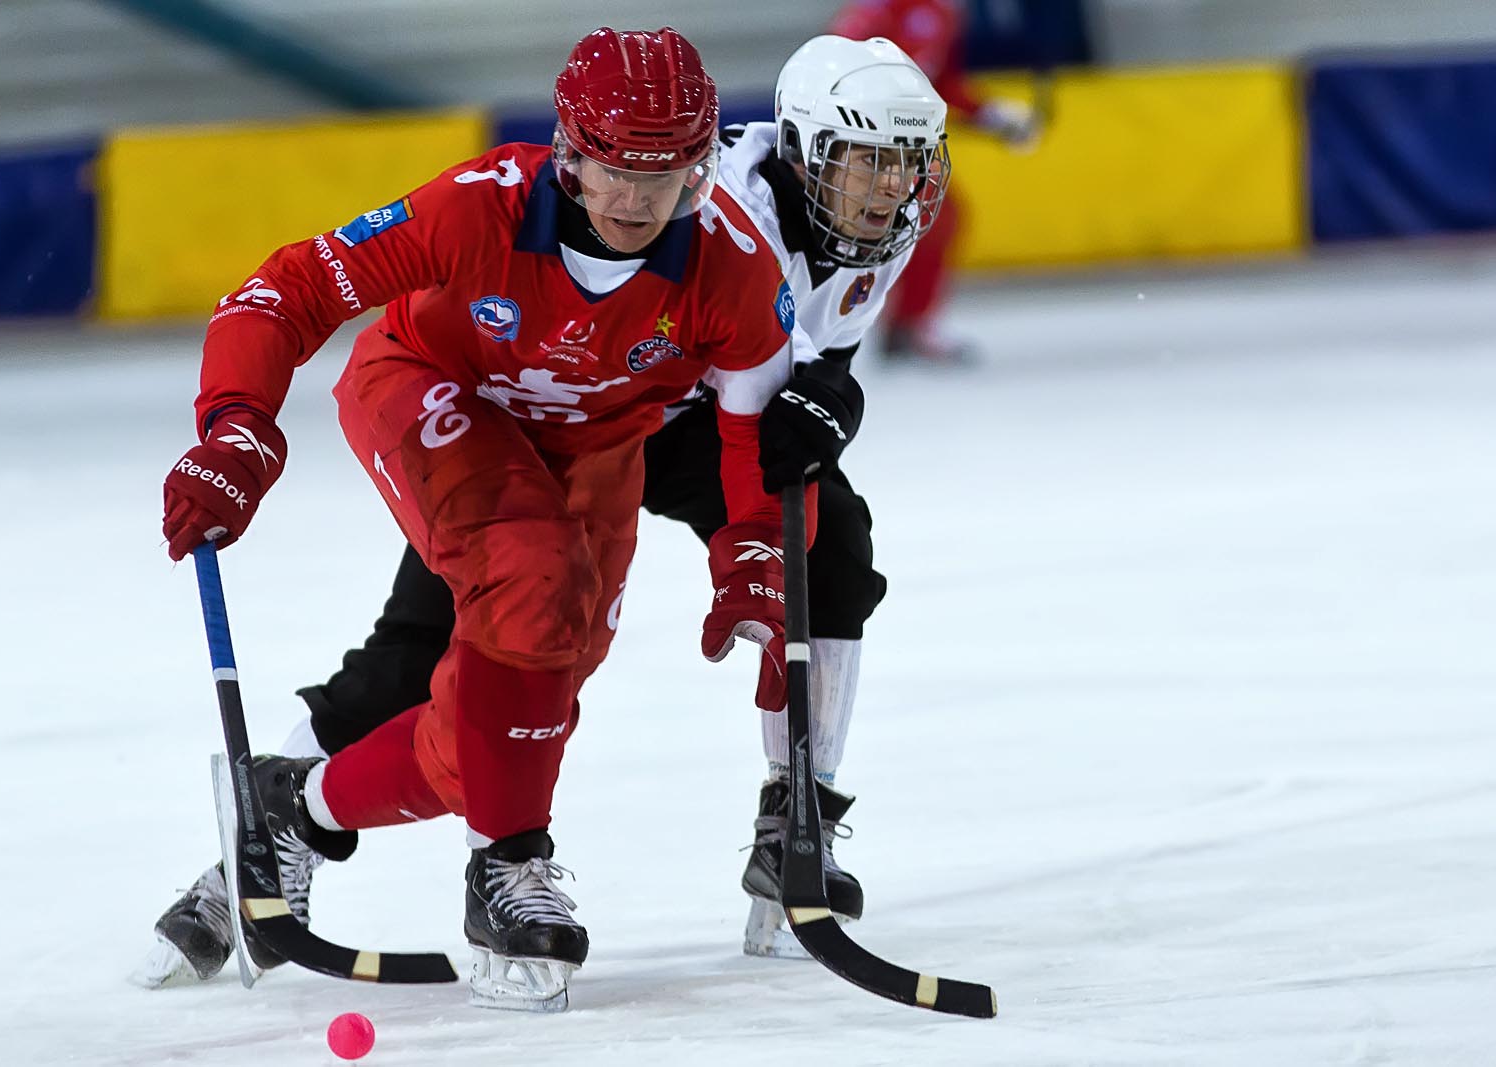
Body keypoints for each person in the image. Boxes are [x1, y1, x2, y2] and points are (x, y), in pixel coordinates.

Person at [142, 33, 953, 991]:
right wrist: (237, 426)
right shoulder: (497, 207)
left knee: (526, 694)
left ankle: (299, 807)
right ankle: (506, 860)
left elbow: (781, 401)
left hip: (614, 425)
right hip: (461, 395)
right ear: (570, 152)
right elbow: (293, 288)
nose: (879, 191)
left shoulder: (808, 250)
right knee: (514, 597)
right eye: (861, 164)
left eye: (902, 170)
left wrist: (760, 543)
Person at [831, 0, 1039, 362]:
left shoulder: (946, 12)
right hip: (867, 142)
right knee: (929, 217)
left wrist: (990, 116)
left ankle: (905, 324)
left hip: (901, 144)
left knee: (937, 217)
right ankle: (898, 324)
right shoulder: (884, 8)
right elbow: (836, 66)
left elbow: (941, 85)